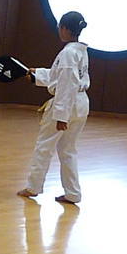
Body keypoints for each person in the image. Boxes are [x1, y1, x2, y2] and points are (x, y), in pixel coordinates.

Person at [17, 11, 90, 205]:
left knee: (44, 146)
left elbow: (67, 83)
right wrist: (37, 74)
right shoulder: (80, 51)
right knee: (68, 149)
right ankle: (73, 193)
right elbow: (63, 76)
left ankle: (33, 186)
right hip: (81, 103)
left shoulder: (68, 53)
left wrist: (61, 116)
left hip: (67, 103)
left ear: (64, 28)